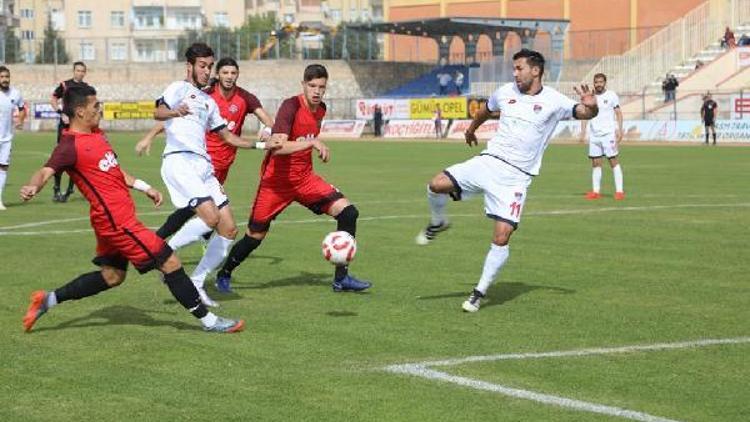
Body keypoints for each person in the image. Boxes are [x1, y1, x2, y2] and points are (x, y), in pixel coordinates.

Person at [20, 85, 244, 333]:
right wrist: (33, 186)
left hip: (112, 221)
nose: (100, 108)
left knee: (113, 276)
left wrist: (144, 186)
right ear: (80, 111)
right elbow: (45, 171)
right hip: (118, 223)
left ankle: (46, 300)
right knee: (169, 262)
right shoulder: (69, 146)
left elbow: (112, 170)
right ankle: (210, 322)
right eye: (96, 105)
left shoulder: (96, 134)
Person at [415, 48, 598, 312]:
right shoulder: (505, 92)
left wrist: (592, 106)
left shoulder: (555, 101)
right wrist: (470, 129)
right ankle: (438, 221)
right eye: (514, 69)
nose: (515, 73)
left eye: (519, 68)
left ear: (535, 70)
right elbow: (484, 111)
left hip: (515, 178)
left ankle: (478, 293)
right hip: (489, 162)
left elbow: (584, 112)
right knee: (436, 184)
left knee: (501, 237)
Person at [216, 64, 371, 293]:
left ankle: (341, 278)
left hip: (305, 180)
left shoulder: (321, 110)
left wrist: (310, 144)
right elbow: (277, 148)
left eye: (321, 87)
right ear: (303, 85)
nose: (317, 91)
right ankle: (225, 273)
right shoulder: (290, 106)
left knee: (349, 213)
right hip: (275, 184)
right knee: (255, 236)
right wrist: (310, 142)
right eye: (312, 86)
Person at [152, 43, 280, 307]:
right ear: (189, 66)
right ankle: (164, 252)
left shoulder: (209, 102)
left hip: (203, 166)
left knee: (229, 229)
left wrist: (260, 145)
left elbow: (228, 137)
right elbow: (158, 111)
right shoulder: (178, 88)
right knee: (210, 218)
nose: (207, 71)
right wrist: (175, 112)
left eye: (210, 66)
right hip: (180, 160)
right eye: (203, 66)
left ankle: (197, 283)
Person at [50, 61, 90, 203]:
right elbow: (54, 98)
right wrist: (61, 113)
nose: (80, 73)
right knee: (61, 157)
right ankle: (56, 188)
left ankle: (70, 189)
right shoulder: (65, 85)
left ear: (85, 73)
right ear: (73, 71)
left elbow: (90, 106)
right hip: (65, 127)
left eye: (82, 71)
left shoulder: (87, 89)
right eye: (78, 70)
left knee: (77, 157)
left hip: (79, 127)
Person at [581, 73, 625, 200]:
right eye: (596, 82)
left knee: (613, 161)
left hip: (608, 134)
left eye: (601, 82)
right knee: (596, 163)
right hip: (594, 135)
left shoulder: (611, 95)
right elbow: (585, 114)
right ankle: (595, 191)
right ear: (593, 83)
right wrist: (583, 131)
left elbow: (618, 113)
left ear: (605, 83)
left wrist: (620, 130)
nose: (598, 84)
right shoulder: (590, 97)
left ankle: (619, 191)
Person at [0, 66, 26, 211]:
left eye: (7, 77)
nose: (5, 79)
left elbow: (22, 108)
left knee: (3, 167)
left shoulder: (15, 93)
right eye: (2, 77)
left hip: (6, 138)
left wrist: (20, 121)